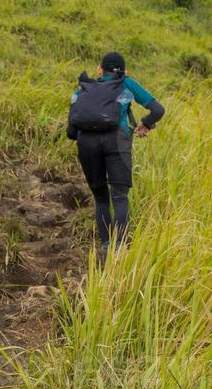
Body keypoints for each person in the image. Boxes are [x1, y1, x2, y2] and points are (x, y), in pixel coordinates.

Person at [66, 52, 165, 256]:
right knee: (119, 196)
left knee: (101, 198)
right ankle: (119, 249)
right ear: (124, 71)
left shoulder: (83, 88)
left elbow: (71, 132)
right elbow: (158, 110)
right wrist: (145, 124)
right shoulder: (126, 83)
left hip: (87, 144)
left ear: (99, 70)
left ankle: (105, 246)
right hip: (117, 141)